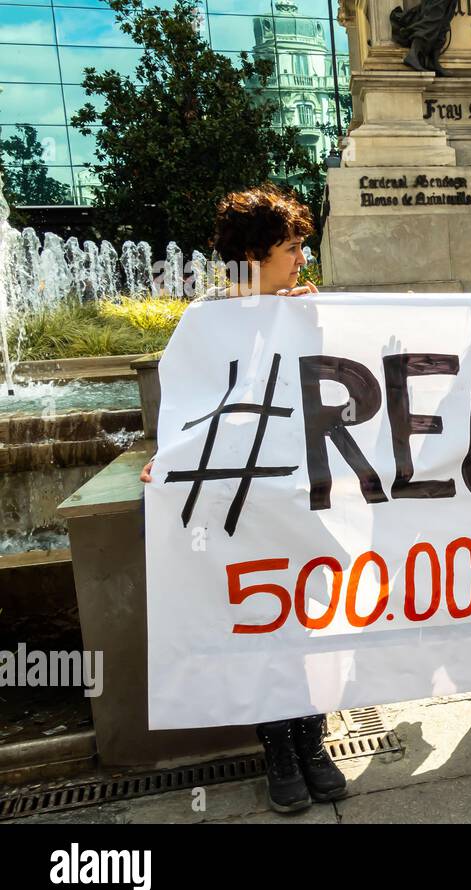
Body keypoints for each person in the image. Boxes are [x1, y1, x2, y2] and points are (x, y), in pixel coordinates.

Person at [140, 185, 345, 813]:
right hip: (237, 496)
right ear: (254, 254)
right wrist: (170, 460)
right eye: (291, 248)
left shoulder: (302, 310)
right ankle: (278, 750)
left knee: (307, 614)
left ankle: (313, 741)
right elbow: (191, 402)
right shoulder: (206, 320)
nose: (302, 259)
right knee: (258, 618)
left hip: (297, 487)